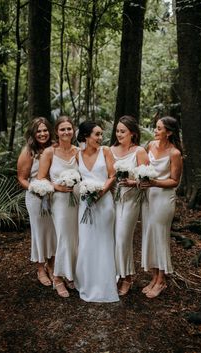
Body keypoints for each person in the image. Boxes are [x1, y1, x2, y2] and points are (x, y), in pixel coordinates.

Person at [75, 121, 119, 302]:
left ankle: (105, 282)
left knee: (104, 241)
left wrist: (100, 193)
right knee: (86, 242)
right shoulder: (77, 155)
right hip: (85, 204)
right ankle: (86, 280)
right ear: (86, 136)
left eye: (101, 134)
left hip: (104, 202)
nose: (101, 138)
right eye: (97, 134)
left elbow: (112, 176)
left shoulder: (106, 151)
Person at [141, 116, 183, 298]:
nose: (155, 131)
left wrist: (154, 182)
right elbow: (144, 167)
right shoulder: (150, 145)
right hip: (148, 197)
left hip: (164, 199)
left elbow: (174, 181)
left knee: (160, 237)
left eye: (159, 128)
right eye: (155, 127)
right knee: (150, 235)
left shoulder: (175, 153)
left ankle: (162, 280)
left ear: (170, 132)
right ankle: (154, 275)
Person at [37, 116, 79, 298]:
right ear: (56, 132)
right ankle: (57, 277)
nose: (66, 132)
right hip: (59, 201)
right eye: (62, 129)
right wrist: (58, 186)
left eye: (69, 128)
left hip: (77, 199)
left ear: (74, 130)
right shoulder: (49, 153)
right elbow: (40, 178)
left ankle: (70, 274)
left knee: (75, 237)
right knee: (63, 237)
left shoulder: (79, 151)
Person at [110, 115, 148, 296]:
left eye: (122, 131)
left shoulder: (139, 151)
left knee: (123, 238)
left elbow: (147, 180)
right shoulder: (110, 150)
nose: (119, 134)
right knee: (113, 239)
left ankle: (127, 278)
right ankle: (116, 274)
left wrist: (133, 182)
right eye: (117, 131)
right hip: (111, 201)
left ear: (132, 133)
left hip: (131, 201)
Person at [17, 117, 57, 287]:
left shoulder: (55, 148)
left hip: (55, 196)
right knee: (39, 232)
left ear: (50, 131)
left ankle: (52, 264)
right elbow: (22, 178)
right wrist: (36, 189)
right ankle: (40, 268)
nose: (42, 134)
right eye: (38, 131)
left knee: (54, 231)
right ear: (33, 133)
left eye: (45, 130)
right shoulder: (28, 151)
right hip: (36, 197)